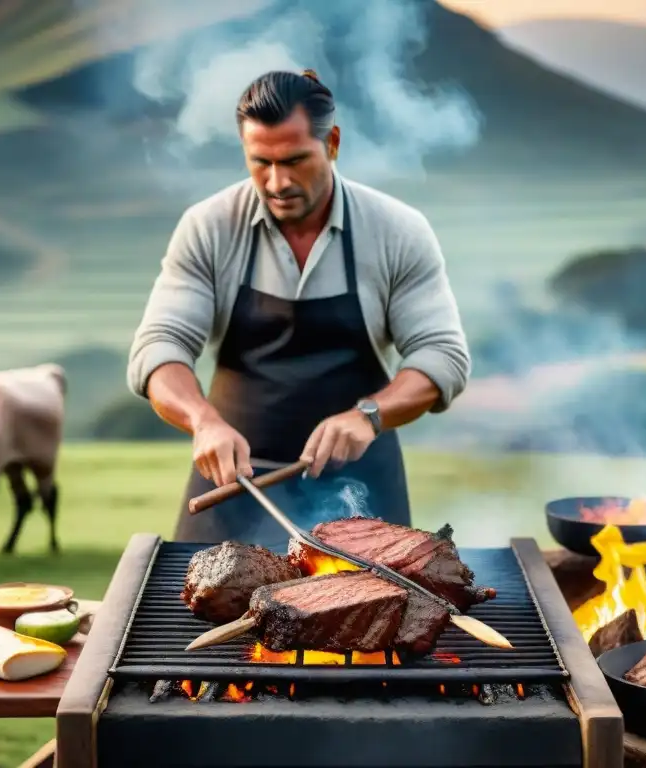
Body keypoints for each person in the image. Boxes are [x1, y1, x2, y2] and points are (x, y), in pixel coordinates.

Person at [126, 69, 470, 547]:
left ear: (332, 142)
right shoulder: (207, 227)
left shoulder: (398, 230)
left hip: (362, 497)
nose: (277, 181)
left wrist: (369, 415)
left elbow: (441, 358)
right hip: (233, 489)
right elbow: (158, 349)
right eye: (260, 162)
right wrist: (203, 421)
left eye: (294, 160)